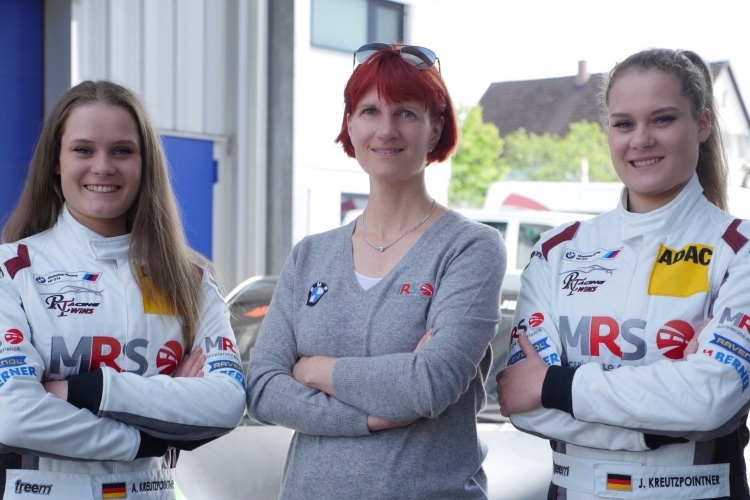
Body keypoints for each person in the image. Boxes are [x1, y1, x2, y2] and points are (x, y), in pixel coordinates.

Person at [246, 43, 506, 499]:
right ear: (350, 124)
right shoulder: (310, 255)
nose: (386, 130)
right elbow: (264, 387)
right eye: (370, 111)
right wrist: (369, 415)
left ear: (435, 128)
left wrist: (315, 370)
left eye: (406, 113)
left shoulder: (470, 248)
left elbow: (428, 385)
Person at [496, 48, 750, 499]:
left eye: (663, 119)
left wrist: (555, 385)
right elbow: (523, 403)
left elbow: (710, 397)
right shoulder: (559, 250)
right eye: (624, 123)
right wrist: (665, 427)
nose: (641, 139)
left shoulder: (739, 250)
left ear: (704, 124)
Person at [0, 80, 246, 499]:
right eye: (83, 150)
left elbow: (225, 404)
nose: (103, 166)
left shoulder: (190, 277)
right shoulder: (11, 269)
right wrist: (152, 433)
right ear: (56, 162)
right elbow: (14, 415)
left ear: (144, 162)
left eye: (122, 150)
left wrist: (81, 390)